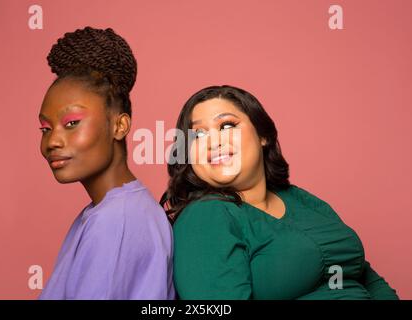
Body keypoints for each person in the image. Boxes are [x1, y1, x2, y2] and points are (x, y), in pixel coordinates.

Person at [160, 85, 399, 300]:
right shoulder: (206, 219)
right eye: (198, 134)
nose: (213, 142)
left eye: (227, 126)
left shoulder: (299, 199)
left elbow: (364, 275)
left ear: (263, 135)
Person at [38, 26, 174, 299]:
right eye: (45, 128)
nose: (52, 141)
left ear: (119, 125)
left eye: (71, 123)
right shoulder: (114, 210)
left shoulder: (115, 221)